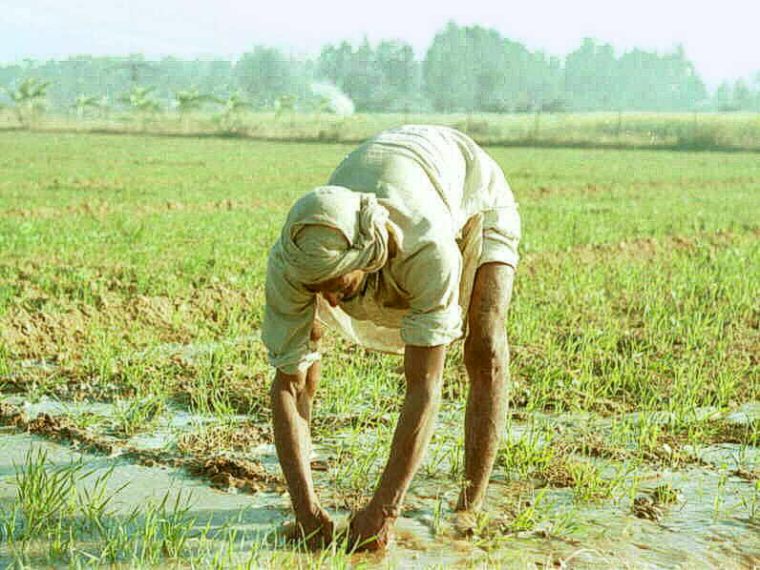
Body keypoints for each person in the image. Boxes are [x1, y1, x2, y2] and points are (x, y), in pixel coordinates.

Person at [262, 125, 521, 551]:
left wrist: (384, 510)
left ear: (367, 256)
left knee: (485, 345)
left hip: (475, 196)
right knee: (302, 358)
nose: (328, 298)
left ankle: (469, 506)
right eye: (316, 289)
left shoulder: (427, 248)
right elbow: (288, 385)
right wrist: (305, 511)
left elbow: (424, 384)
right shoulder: (292, 260)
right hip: (395, 186)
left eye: (336, 285)